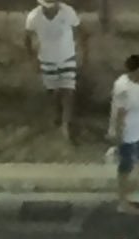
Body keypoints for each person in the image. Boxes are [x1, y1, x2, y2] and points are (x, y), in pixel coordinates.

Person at [25, 0, 86, 140]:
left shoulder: (68, 12)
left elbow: (81, 32)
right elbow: (27, 39)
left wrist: (83, 53)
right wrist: (33, 59)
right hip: (47, 60)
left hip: (67, 57)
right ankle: (57, 114)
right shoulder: (33, 17)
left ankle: (66, 124)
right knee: (53, 92)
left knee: (69, 91)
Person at [109, 54, 139, 215]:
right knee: (125, 168)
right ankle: (123, 202)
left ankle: (129, 193)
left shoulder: (137, 84)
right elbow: (119, 113)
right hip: (127, 133)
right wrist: (118, 136)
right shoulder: (123, 87)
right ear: (138, 69)